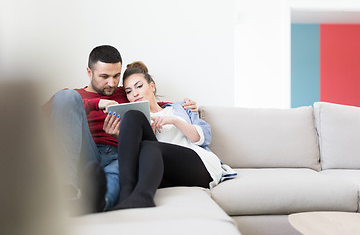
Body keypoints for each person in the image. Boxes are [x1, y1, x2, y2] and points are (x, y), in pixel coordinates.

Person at [48, 46, 198, 214]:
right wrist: (96, 103)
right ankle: (68, 191)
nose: (111, 83)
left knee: (119, 172)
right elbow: (39, 119)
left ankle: (97, 202)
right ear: (89, 72)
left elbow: (154, 106)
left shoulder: (127, 92)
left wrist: (184, 106)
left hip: (120, 153)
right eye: (104, 76)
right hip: (85, 151)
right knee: (67, 96)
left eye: (116, 76)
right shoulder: (73, 97)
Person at [104, 61, 236, 210]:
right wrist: (119, 137)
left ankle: (142, 196)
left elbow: (203, 137)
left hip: (199, 166)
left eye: (139, 86)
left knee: (151, 147)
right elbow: (137, 154)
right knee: (133, 116)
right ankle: (126, 193)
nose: (134, 93)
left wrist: (173, 120)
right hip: (163, 170)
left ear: (152, 86)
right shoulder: (140, 122)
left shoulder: (180, 108)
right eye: (128, 91)